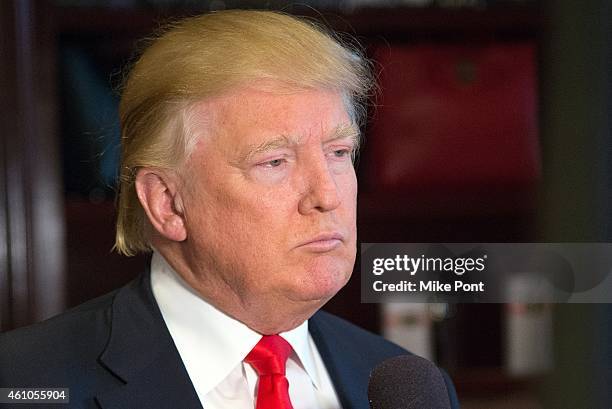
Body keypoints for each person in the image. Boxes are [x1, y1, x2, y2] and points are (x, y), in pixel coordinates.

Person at [0, 9, 459, 409]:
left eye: (339, 153)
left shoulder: (402, 383)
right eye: (275, 162)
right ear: (167, 203)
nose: (328, 195)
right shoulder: (24, 381)